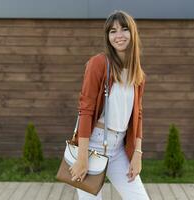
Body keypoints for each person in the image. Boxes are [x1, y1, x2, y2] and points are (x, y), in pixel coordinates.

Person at [69, 10, 150, 200]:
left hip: (119, 149)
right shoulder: (99, 64)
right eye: (112, 31)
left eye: (123, 29)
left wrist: (137, 153)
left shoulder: (137, 74)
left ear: (132, 33)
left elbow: (138, 114)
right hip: (92, 146)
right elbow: (86, 110)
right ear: (108, 37)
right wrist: (82, 157)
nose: (118, 35)